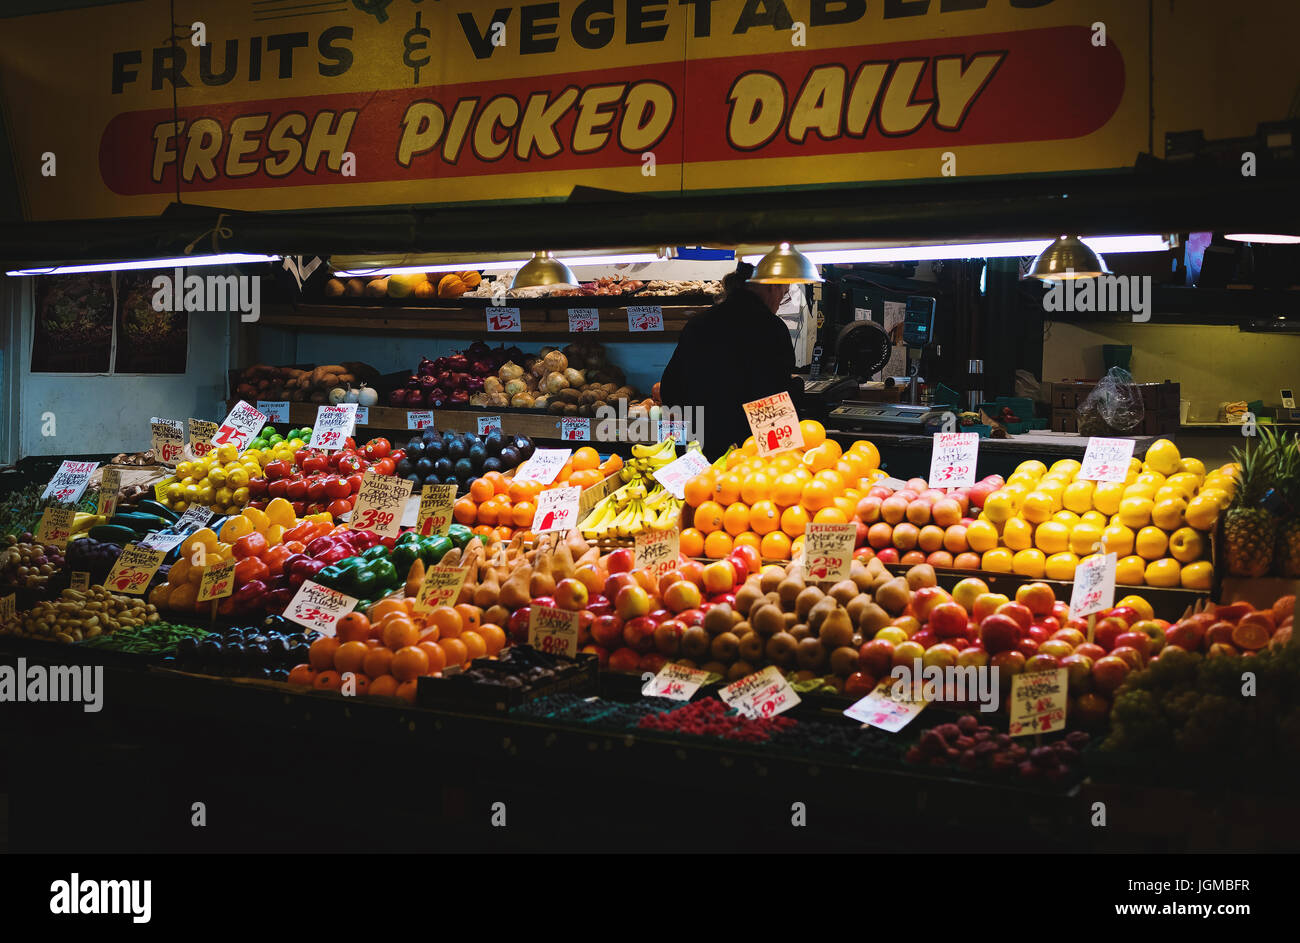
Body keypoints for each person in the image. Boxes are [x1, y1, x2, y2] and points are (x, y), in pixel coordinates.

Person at [659, 261, 802, 457]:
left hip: (697, 454)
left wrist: (676, 453)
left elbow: (670, 392)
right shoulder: (771, 328)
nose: (779, 304)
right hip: (745, 457)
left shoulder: (698, 324)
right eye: (783, 295)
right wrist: (797, 387)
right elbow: (774, 402)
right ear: (772, 286)